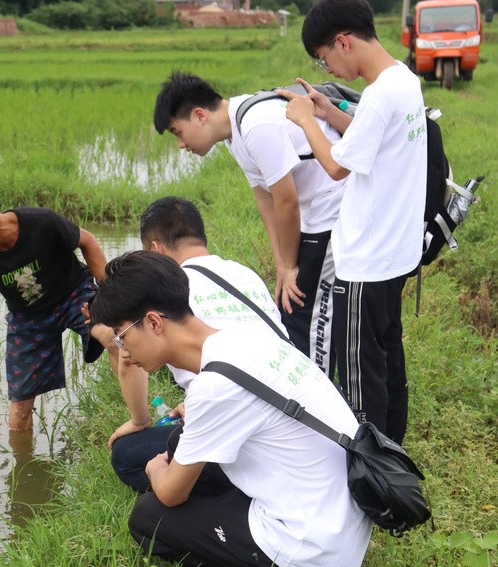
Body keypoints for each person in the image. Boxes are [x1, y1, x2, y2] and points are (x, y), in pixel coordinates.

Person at [89, 251, 371, 567]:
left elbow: (171, 493)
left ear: (153, 322)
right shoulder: (245, 340)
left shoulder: (216, 384)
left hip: (314, 555)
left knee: (149, 518)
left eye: (122, 336)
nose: (124, 352)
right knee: (179, 446)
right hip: (344, 523)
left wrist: (155, 468)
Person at [279, 0, 427, 445]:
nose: (329, 67)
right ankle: (393, 458)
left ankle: (373, 481)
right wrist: (328, 112)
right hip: (396, 252)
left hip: (366, 260)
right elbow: (370, 141)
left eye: (325, 58)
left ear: (342, 41)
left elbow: (338, 167)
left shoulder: (380, 95)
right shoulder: (403, 80)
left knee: (362, 378)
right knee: (387, 361)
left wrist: (306, 120)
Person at [153, 71, 346, 378]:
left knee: (307, 317)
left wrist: (291, 266)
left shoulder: (256, 125)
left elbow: (286, 200)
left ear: (199, 115)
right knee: (293, 309)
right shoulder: (235, 131)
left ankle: (314, 397)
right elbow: (265, 199)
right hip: (317, 217)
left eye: (179, 132)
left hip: (334, 213)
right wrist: (282, 264)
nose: (181, 144)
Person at [0, 179, 145, 431]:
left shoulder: (41, 222)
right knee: (19, 407)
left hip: (73, 293)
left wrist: (107, 293)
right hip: (28, 316)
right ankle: (23, 466)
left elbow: (88, 241)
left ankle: (137, 419)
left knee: (114, 337)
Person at [109, 196, 285, 492]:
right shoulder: (245, 275)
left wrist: (139, 421)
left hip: (248, 432)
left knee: (127, 454)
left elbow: (127, 357)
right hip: (285, 405)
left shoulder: (164, 290)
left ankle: (225, 494)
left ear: (155, 250)